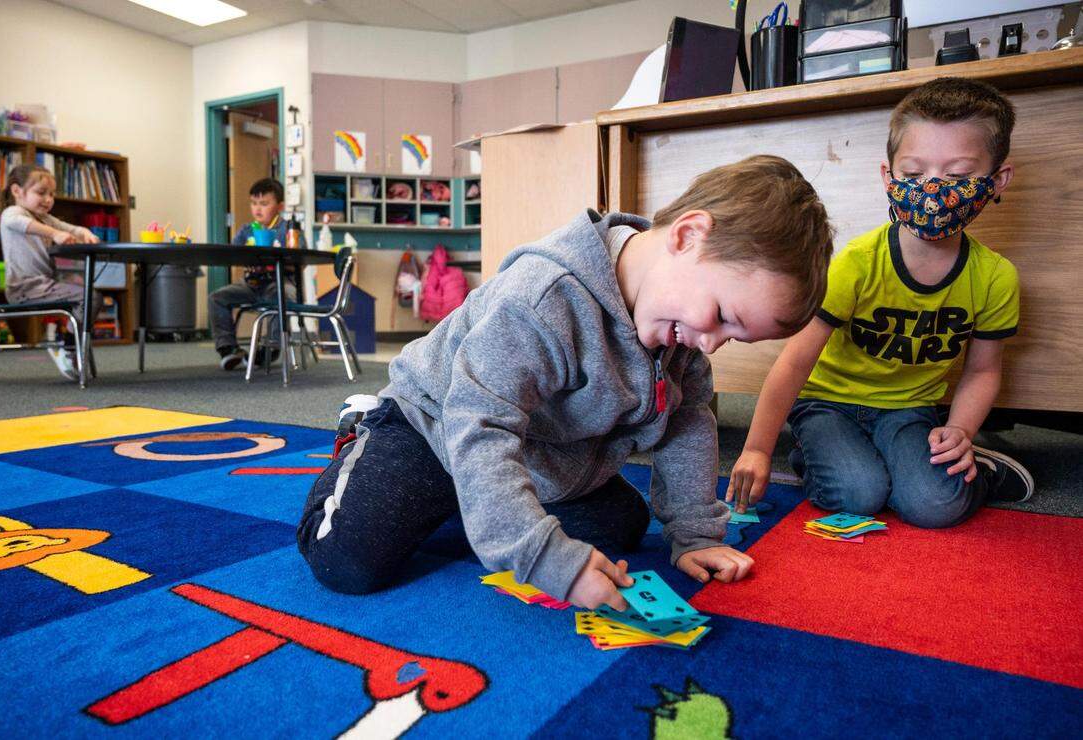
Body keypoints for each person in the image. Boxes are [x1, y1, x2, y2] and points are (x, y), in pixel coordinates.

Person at [298, 155, 834, 610]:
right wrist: (541, 556)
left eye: (735, 336)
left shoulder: (682, 331)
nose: (713, 344)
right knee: (348, 561)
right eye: (721, 314)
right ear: (689, 235)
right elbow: (480, 424)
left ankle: (487, 505)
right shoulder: (543, 299)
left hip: (544, 451)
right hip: (436, 424)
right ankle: (362, 429)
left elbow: (687, 423)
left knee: (619, 529)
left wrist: (694, 533)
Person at [728, 77, 1034, 529]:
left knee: (934, 506)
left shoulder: (994, 277)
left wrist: (962, 431)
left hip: (910, 408)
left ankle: (983, 469)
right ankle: (818, 451)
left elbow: (984, 370)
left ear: (996, 180)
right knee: (859, 493)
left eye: (957, 176)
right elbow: (794, 362)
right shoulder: (855, 263)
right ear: (888, 178)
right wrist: (757, 447)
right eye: (913, 175)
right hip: (827, 403)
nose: (933, 191)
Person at [0, 164, 100, 379]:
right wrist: (54, 234)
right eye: (41, 193)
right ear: (17, 191)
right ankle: (69, 350)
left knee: (90, 296)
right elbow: (19, 222)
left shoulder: (45, 218)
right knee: (89, 297)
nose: (48, 199)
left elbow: (72, 229)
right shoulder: (12, 212)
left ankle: (69, 347)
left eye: (51, 194)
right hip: (24, 288)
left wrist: (85, 232)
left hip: (42, 285)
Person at [207, 177, 294, 369]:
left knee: (281, 295)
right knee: (216, 298)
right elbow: (232, 255)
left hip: (278, 282)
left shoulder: (287, 229)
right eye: (254, 203)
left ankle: (270, 348)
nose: (258, 209)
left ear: (279, 206)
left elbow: (298, 261)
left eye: (264, 204)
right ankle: (229, 349)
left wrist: (272, 260)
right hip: (250, 285)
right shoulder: (247, 230)